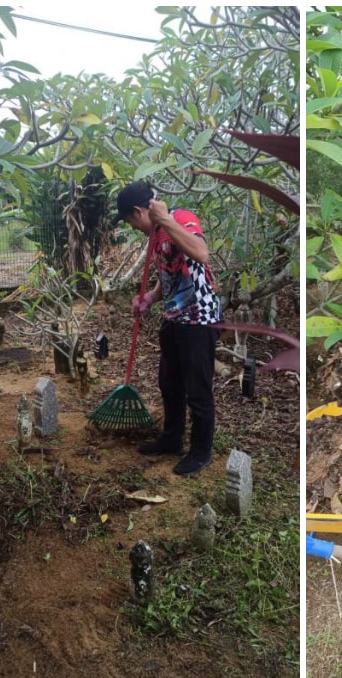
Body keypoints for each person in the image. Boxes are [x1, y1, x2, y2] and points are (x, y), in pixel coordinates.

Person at [114, 181, 222, 476]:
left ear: (139, 212)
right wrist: (150, 297)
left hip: (199, 320)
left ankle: (201, 452)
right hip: (174, 318)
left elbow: (201, 252)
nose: (132, 227)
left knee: (197, 391)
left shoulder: (181, 218)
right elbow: (170, 273)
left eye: (129, 220)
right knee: (170, 384)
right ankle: (172, 439)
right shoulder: (155, 235)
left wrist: (165, 220)